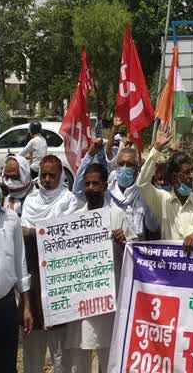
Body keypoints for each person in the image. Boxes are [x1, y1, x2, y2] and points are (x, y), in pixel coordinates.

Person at [65, 159, 135, 373]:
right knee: (79, 360)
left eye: (95, 184)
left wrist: (124, 243)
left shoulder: (117, 215)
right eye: (87, 184)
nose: (90, 189)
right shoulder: (74, 219)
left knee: (108, 356)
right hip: (81, 301)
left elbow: (133, 260)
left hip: (108, 300)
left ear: (104, 186)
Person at [20, 155, 83, 373]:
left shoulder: (69, 201)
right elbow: (28, 235)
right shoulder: (30, 201)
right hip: (35, 281)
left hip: (60, 283)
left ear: (60, 176)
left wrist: (33, 232)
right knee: (33, 350)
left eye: (51, 175)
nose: (46, 179)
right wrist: (44, 231)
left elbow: (63, 236)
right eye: (43, 175)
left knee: (61, 354)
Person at [137, 127, 193, 253]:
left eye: (192, 171)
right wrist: (156, 149)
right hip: (171, 269)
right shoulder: (162, 200)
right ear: (174, 176)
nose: (191, 176)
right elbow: (142, 183)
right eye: (186, 172)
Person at [74, 139, 159, 241]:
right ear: (116, 167)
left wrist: (148, 199)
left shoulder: (143, 194)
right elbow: (78, 192)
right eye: (121, 164)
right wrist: (90, 154)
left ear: (137, 169)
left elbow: (153, 227)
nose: (124, 168)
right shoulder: (106, 192)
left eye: (129, 165)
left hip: (135, 251)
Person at [0, 175, 33, 372]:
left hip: (5, 305)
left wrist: (26, 306)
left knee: (6, 365)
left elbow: (20, 262)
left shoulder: (11, 218)